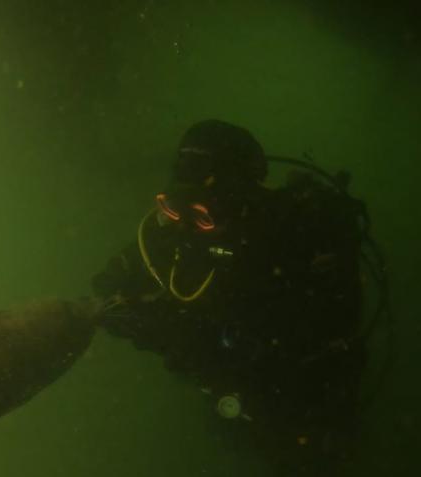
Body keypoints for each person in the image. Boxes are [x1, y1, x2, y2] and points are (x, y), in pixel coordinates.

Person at [92, 119, 383, 476]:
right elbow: (110, 282)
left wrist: (173, 330)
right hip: (232, 402)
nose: (182, 224)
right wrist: (120, 307)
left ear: (241, 197)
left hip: (300, 406)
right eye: (173, 208)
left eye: (201, 215)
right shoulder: (178, 224)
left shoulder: (291, 235)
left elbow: (297, 341)